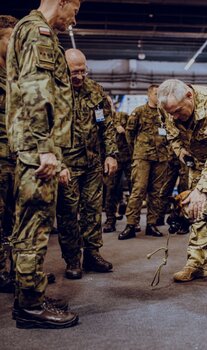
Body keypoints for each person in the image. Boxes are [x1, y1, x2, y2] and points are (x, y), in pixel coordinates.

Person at [6, 0, 81, 329]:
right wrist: (45, 149)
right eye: (74, 10)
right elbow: (37, 92)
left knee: (30, 225)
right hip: (38, 150)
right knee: (34, 229)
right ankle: (30, 307)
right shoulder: (38, 33)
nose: (74, 19)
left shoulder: (32, 30)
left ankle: (30, 294)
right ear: (62, 2)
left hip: (34, 147)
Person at [157, 79, 207, 283]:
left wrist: (203, 189)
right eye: (170, 113)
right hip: (198, 163)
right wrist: (181, 152)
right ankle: (196, 264)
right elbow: (170, 134)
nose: (174, 116)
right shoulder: (167, 108)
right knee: (196, 212)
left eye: (177, 111)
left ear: (189, 96)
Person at [56, 48, 117, 280]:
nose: (79, 76)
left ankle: (92, 254)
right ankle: (72, 260)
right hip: (67, 164)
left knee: (92, 210)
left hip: (92, 163)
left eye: (83, 71)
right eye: (74, 72)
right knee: (68, 213)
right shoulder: (55, 91)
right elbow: (46, 130)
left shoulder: (95, 91)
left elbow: (106, 125)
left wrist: (111, 154)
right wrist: (59, 164)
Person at [118, 85, 169, 240]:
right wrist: (136, 151)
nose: (159, 97)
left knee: (156, 192)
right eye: (156, 94)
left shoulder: (165, 113)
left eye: (161, 94)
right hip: (142, 157)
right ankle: (131, 225)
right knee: (138, 190)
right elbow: (129, 134)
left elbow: (171, 132)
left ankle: (151, 224)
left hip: (161, 157)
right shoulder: (139, 111)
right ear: (149, 95)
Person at [0, 15, 18, 294]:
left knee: (14, 218)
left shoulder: (17, 73)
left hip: (16, 157)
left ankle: (14, 271)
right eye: (10, 37)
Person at [103, 105, 133, 233]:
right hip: (111, 159)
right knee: (111, 190)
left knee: (134, 188)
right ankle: (110, 221)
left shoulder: (123, 116)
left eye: (110, 103)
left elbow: (133, 132)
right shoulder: (102, 118)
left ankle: (132, 222)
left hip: (127, 157)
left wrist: (124, 130)